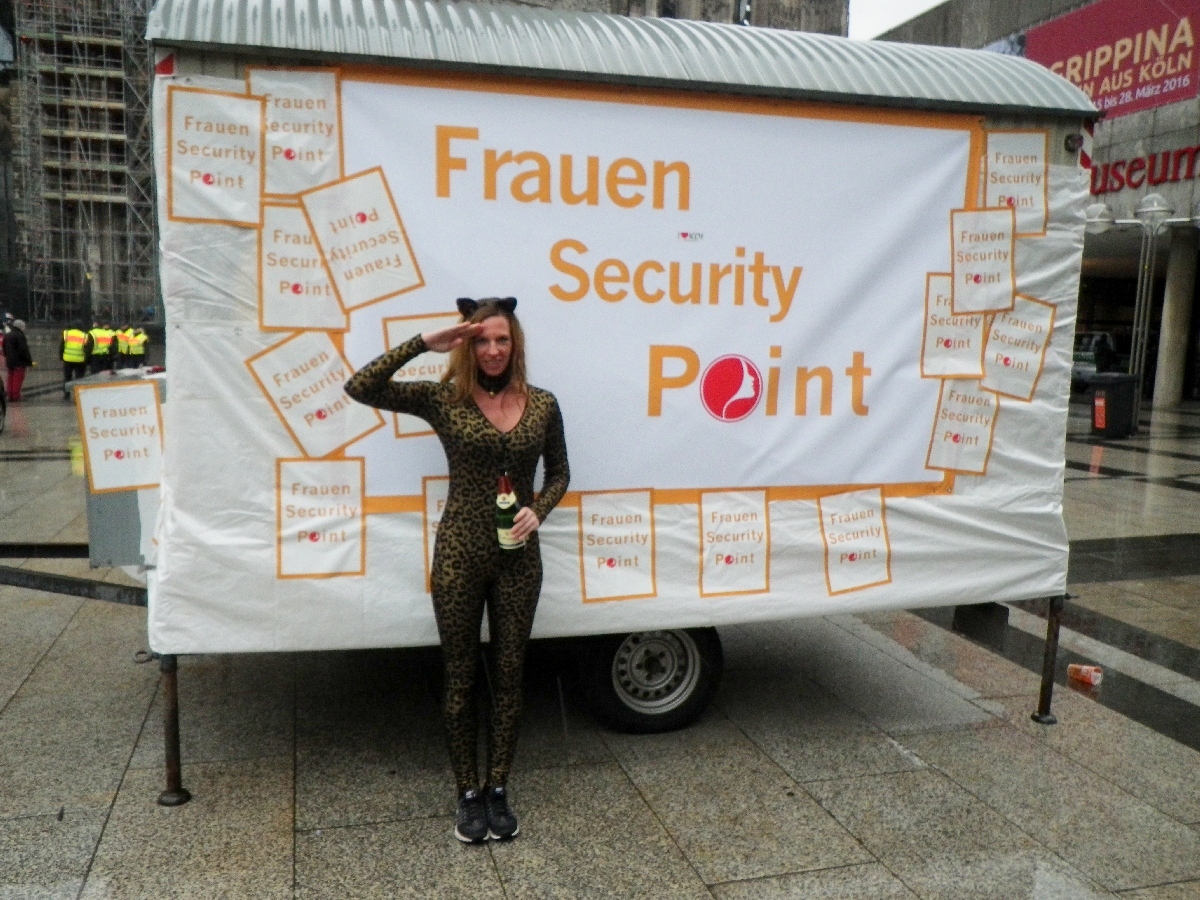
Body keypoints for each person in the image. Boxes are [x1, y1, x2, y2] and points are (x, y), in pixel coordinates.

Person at [344, 297, 569, 844]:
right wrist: (425, 343)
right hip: (459, 557)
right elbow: (360, 387)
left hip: (519, 560)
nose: (492, 350)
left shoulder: (542, 404)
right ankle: (468, 792)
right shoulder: (443, 399)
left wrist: (538, 510)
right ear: (468, 345)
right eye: (482, 340)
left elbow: (560, 471)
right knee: (461, 676)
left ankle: (498, 788)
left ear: (515, 344)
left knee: (511, 676)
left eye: (502, 339)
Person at [3, 319, 33, 401]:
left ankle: (10, 395)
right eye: (24, 326)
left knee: (10, 378)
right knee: (18, 378)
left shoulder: (8, 335)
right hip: (19, 361)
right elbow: (23, 350)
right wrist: (29, 361)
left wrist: (7, 356)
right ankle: (16, 396)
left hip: (10, 361)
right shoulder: (19, 335)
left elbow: (4, 348)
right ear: (20, 327)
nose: (24, 328)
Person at [60, 322, 91, 399]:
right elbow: (87, 349)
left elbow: (61, 347)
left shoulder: (66, 333)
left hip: (67, 359)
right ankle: (78, 395)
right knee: (79, 378)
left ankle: (66, 394)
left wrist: (61, 357)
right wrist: (87, 360)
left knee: (67, 377)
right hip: (80, 360)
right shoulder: (84, 336)